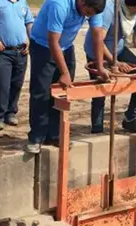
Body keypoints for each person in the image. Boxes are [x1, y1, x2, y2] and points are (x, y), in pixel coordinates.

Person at [25, 0, 110, 154]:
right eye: (88, 13)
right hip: (43, 46)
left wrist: (100, 67)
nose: (89, 17)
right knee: (42, 93)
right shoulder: (59, 5)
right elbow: (53, 41)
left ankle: (55, 134)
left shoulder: (95, 6)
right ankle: (36, 137)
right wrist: (64, 72)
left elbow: (97, 36)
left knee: (63, 93)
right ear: (82, 2)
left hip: (66, 46)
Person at [84, 0, 136, 134]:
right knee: (102, 86)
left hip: (119, 49)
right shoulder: (110, 10)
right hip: (97, 51)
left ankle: (130, 119)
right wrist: (115, 62)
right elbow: (99, 40)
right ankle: (97, 128)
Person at [0, 0, 34, 130]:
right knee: (1, 84)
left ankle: (11, 112)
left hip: (20, 51)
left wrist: (31, 40)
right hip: (1, 51)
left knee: (17, 84)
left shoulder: (22, 2)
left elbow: (29, 22)